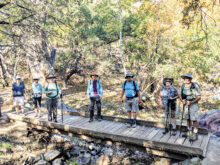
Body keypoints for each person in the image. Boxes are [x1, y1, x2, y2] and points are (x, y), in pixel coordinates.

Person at [180, 73, 201, 141]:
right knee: (187, 118)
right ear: (184, 79)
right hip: (186, 104)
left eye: (188, 78)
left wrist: (192, 102)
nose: (187, 79)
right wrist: (182, 100)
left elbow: (199, 97)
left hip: (193, 104)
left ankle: (195, 134)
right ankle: (189, 132)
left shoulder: (194, 86)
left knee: (194, 119)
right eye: (186, 78)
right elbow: (180, 94)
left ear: (191, 79)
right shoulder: (183, 85)